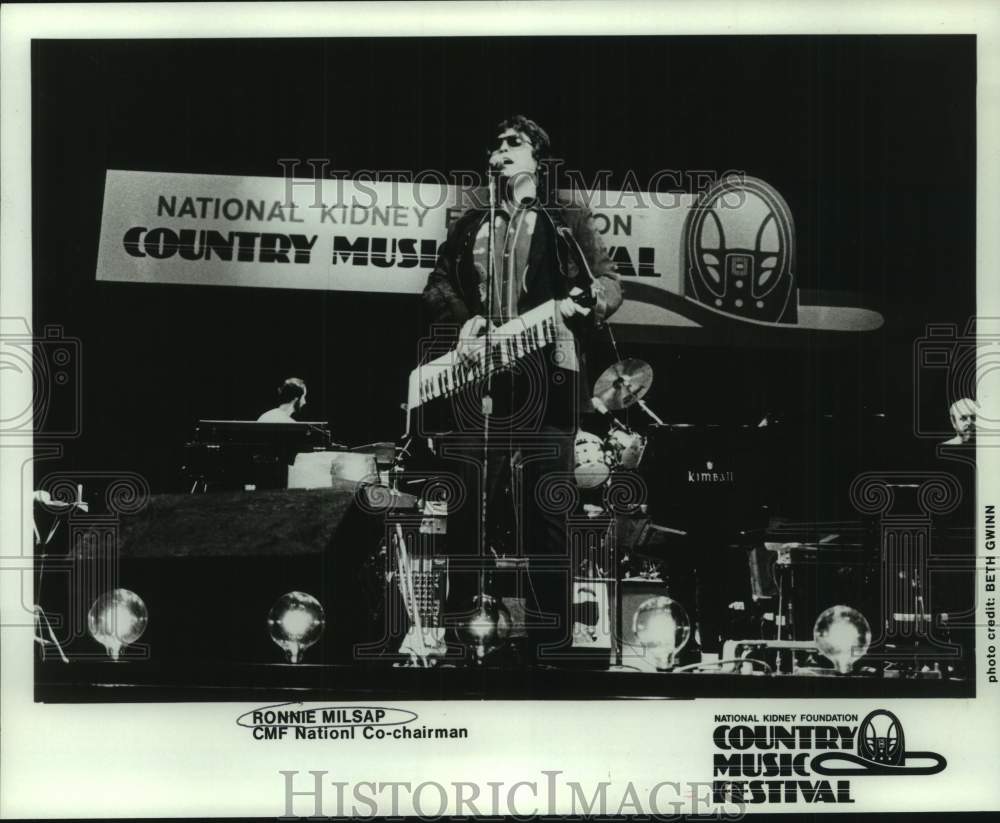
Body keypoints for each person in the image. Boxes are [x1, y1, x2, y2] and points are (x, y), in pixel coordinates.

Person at [421, 115, 623, 664]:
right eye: (496, 145)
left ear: (537, 157)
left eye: (514, 144)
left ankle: (550, 642)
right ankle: (462, 636)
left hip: (548, 376)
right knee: (467, 508)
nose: (501, 152)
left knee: (546, 510)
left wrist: (593, 300)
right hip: (479, 377)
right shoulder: (470, 223)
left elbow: (605, 281)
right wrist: (463, 317)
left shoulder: (564, 218)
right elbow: (439, 282)